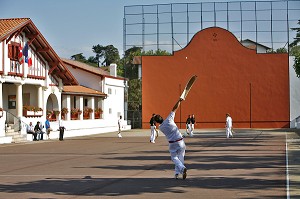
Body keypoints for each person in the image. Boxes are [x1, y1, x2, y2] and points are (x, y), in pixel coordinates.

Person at [154, 98, 187, 180]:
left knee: (174, 158)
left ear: (157, 122)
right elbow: (174, 109)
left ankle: (179, 171)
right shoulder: (169, 119)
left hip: (172, 143)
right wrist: (179, 101)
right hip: (180, 141)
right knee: (181, 157)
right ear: (162, 117)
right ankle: (179, 171)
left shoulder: (161, 127)